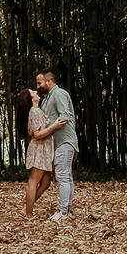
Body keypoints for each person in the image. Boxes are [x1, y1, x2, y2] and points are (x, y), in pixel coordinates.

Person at [13, 88, 66, 218]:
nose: (36, 92)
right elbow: (37, 135)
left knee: (45, 183)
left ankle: (26, 208)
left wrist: (52, 129)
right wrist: (53, 127)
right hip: (40, 149)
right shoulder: (35, 111)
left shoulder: (36, 111)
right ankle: (29, 214)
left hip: (44, 149)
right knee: (34, 181)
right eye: (33, 93)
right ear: (30, 99)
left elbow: (42, 131)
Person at [36, 68, 78, 221]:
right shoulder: (47, 98)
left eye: (40, 83)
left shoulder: (59, 94)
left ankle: (64, 211)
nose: (38, 86)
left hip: (64, 140)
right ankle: (68, 209)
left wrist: (50, 130)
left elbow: (64, 116)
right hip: (57, 142)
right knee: (66, 176)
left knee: (63, 176)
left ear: (49, 80)